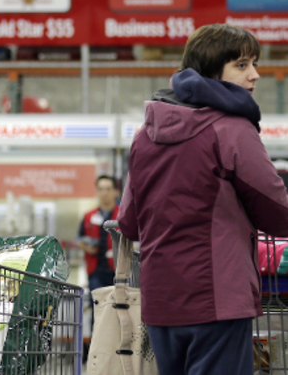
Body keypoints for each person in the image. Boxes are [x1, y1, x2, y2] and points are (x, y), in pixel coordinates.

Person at [117, 23, 288, 375]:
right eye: (241, 65)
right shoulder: (232, 129)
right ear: (211, 72)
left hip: (161, 301)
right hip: (218, 299)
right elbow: (278, 213)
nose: (255, 75)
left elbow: (129, 222)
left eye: (253, 63)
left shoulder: (144, 134)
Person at [76, 175, 120, 332]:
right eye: (101, 189)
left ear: (116, 191)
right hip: (96, 272)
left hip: (120, 272)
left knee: (121, 312)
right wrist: (86, 247)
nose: (105, 193)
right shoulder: (89, 216)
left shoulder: (124, 215)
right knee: (98, 312)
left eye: (108, 189)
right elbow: (79, 238)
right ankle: (98, 354)